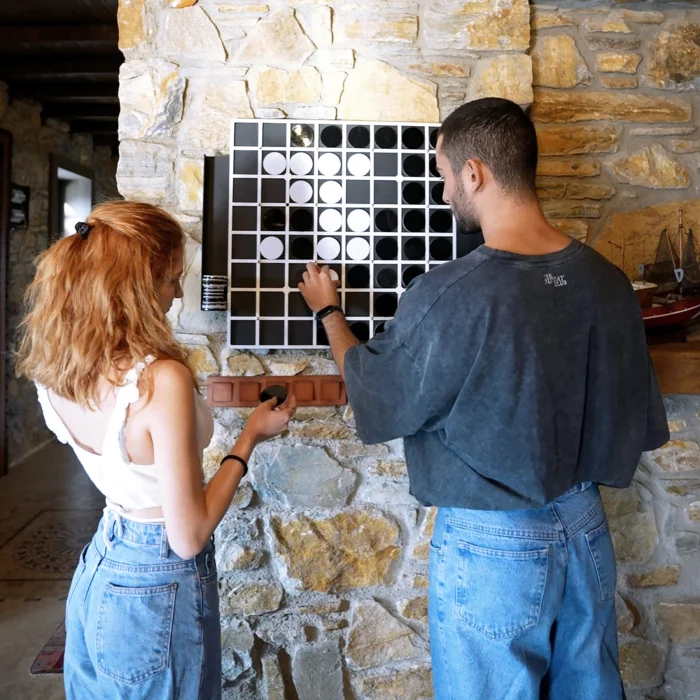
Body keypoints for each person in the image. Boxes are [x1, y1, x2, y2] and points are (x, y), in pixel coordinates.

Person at [299, 98, 669, 699]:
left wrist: (329, 312)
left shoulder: (450, 293)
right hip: (585, 526)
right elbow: (631, 416)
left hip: (495, 543)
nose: (444, 192)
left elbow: (373, 391)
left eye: (445, 175)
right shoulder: (608, 281)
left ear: (474, 173)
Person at [16, 201, 296, 699]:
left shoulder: (58, 367)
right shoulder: (158, 379)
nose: (178, 293)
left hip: (100, 566)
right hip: (154, 584)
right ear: (137, 285)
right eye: (171, 279)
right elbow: (188, 536)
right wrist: (249, 436)